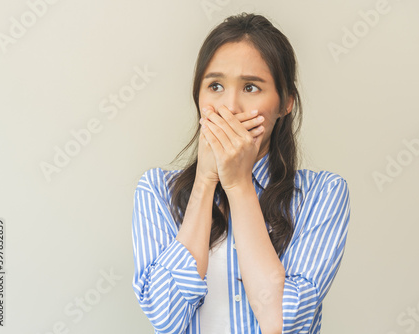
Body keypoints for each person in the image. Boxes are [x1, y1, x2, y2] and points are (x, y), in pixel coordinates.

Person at [131, 12, 351, 334]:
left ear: (285, 102)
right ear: (199, 96)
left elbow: (281, 321)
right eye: (215, 86)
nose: (230, 107)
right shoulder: (157, 190)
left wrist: (238, 183)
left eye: (250, 87)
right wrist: (206, 182)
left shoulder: (322, 194)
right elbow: (165, 317)